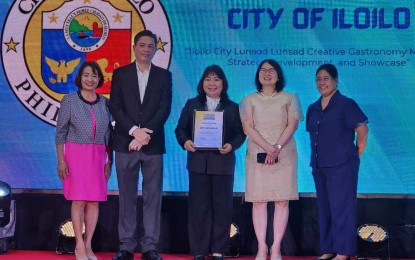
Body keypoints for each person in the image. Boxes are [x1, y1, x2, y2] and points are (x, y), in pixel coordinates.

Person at [109, 29, 172, 260]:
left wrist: (145, 135)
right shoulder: (120, 74)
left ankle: (149, 247)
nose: (146, 49)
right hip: (125, 143)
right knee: (126, 195)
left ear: (155, 50)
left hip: (153, 145)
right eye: (142, 45)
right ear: (134, 47)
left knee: (152, 196)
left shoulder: (164, 76)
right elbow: (115, 106)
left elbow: (163, 109)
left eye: (150, 46)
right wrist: (134, 131)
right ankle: (126, 246)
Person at [175, 65, 246, 260]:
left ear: (223, 83)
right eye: (208, 79)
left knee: (222, 209)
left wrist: (232, 145)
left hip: (223, 165)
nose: (212, 83)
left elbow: (240, 134)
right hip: (198, 165)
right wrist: (186, 142)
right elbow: (180, 130)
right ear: (202, 83)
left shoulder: (232, 107)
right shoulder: (192, 104)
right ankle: (199, 250)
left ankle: (218, 249)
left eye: (216, 79)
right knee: (198, 208)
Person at [239, 59, 303, 260]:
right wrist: (268, 148)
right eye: (263, 70)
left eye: (272, 70)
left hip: (283, 154)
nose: (267, 73)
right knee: (258, 202)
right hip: (258, 154)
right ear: (258, 75)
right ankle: (261, 248)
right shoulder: (248, 100)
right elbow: (248, 128)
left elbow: (292, 125)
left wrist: (276, 149)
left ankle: (276, 248)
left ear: (278, 75)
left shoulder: (290, 98)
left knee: (282, 201)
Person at [306, 64, 368, 260]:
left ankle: (343, 252)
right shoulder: (313, 108)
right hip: (319, 166)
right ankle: (328, 249)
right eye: (318, 79)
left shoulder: (346, 104)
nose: (322, 82)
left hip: (342, 165)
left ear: (335, 81)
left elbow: (362, 130)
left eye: (326, 78)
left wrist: (355, 154)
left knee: (342, 209)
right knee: (325, 208)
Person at [55, 61, 112, 260]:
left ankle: (88, 245)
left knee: (94, 201)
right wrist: (61, 161)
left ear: (99, 79)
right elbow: (60, 132)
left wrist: (109, 161)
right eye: (87, 75)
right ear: (80, 77)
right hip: (76, 155)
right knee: (78, 200)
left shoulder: (105, 102)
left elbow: (109, 134)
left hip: (98, 156)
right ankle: (78, 245)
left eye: (95, 75)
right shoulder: (69, 100)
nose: (90, 79)